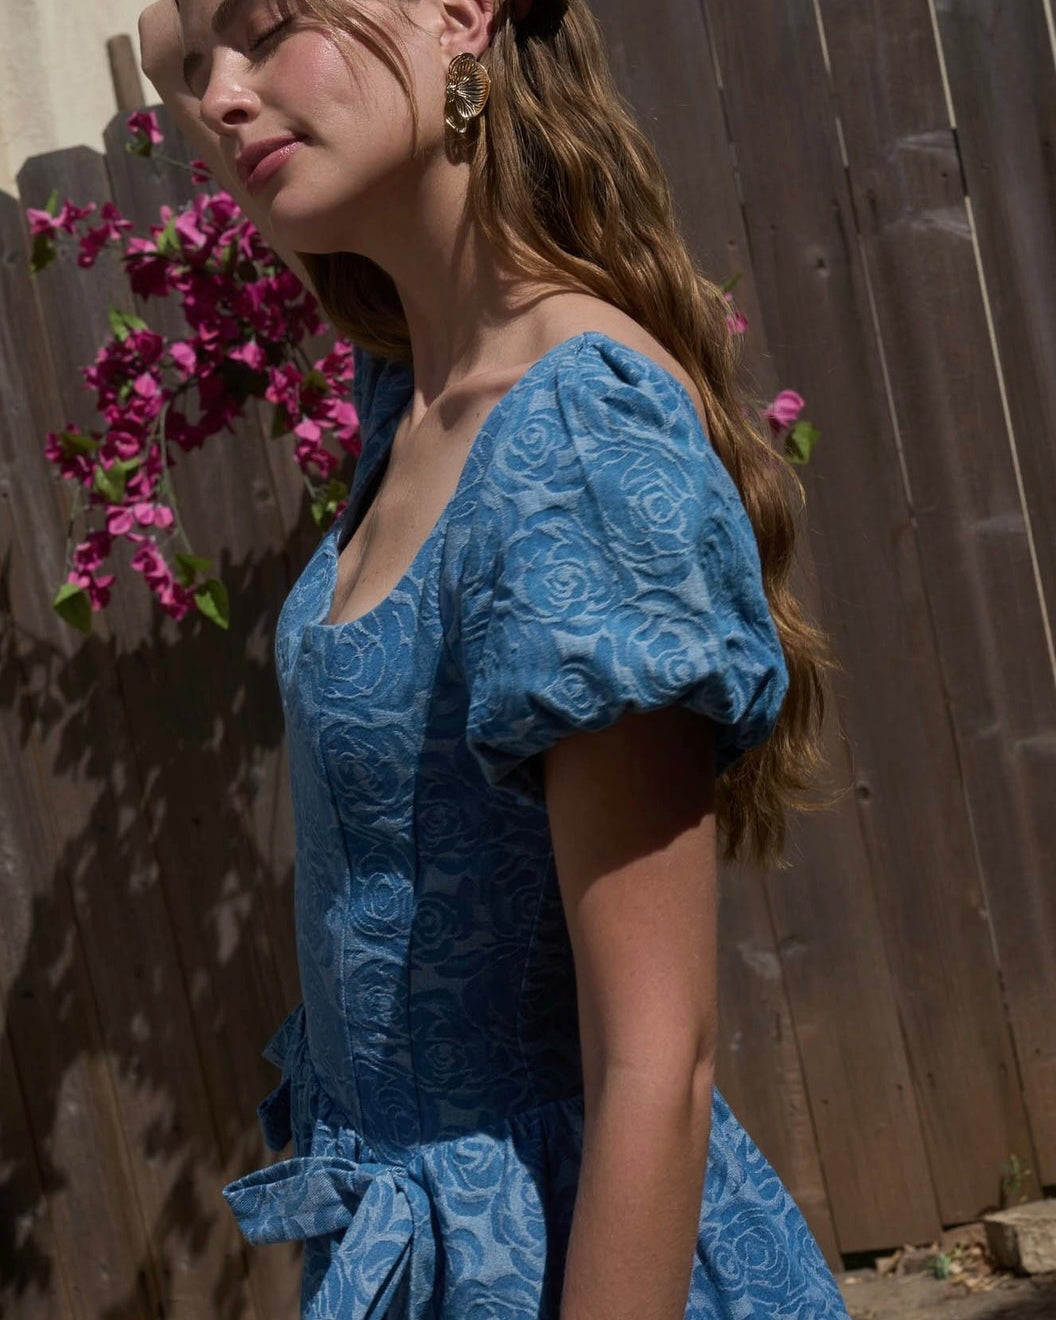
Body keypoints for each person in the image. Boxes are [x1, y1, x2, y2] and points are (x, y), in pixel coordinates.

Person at [139, 1, 849, 1316]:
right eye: (199, 69)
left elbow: (658, 1055)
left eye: (265, 27)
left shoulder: (571, 428)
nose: (218, 96)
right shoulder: (414, 391)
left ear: (465, 13)